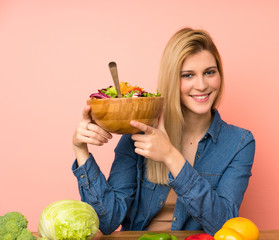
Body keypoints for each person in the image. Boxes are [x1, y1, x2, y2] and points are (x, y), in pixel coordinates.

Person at [72, 27, 255, 235]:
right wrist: (81, 151)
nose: (202, 85)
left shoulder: (239, 142)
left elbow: (223, 225)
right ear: (171, 80)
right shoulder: (139, 133)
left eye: (209, 72)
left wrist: (170, 156)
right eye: (188, 75)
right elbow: (108, 221)